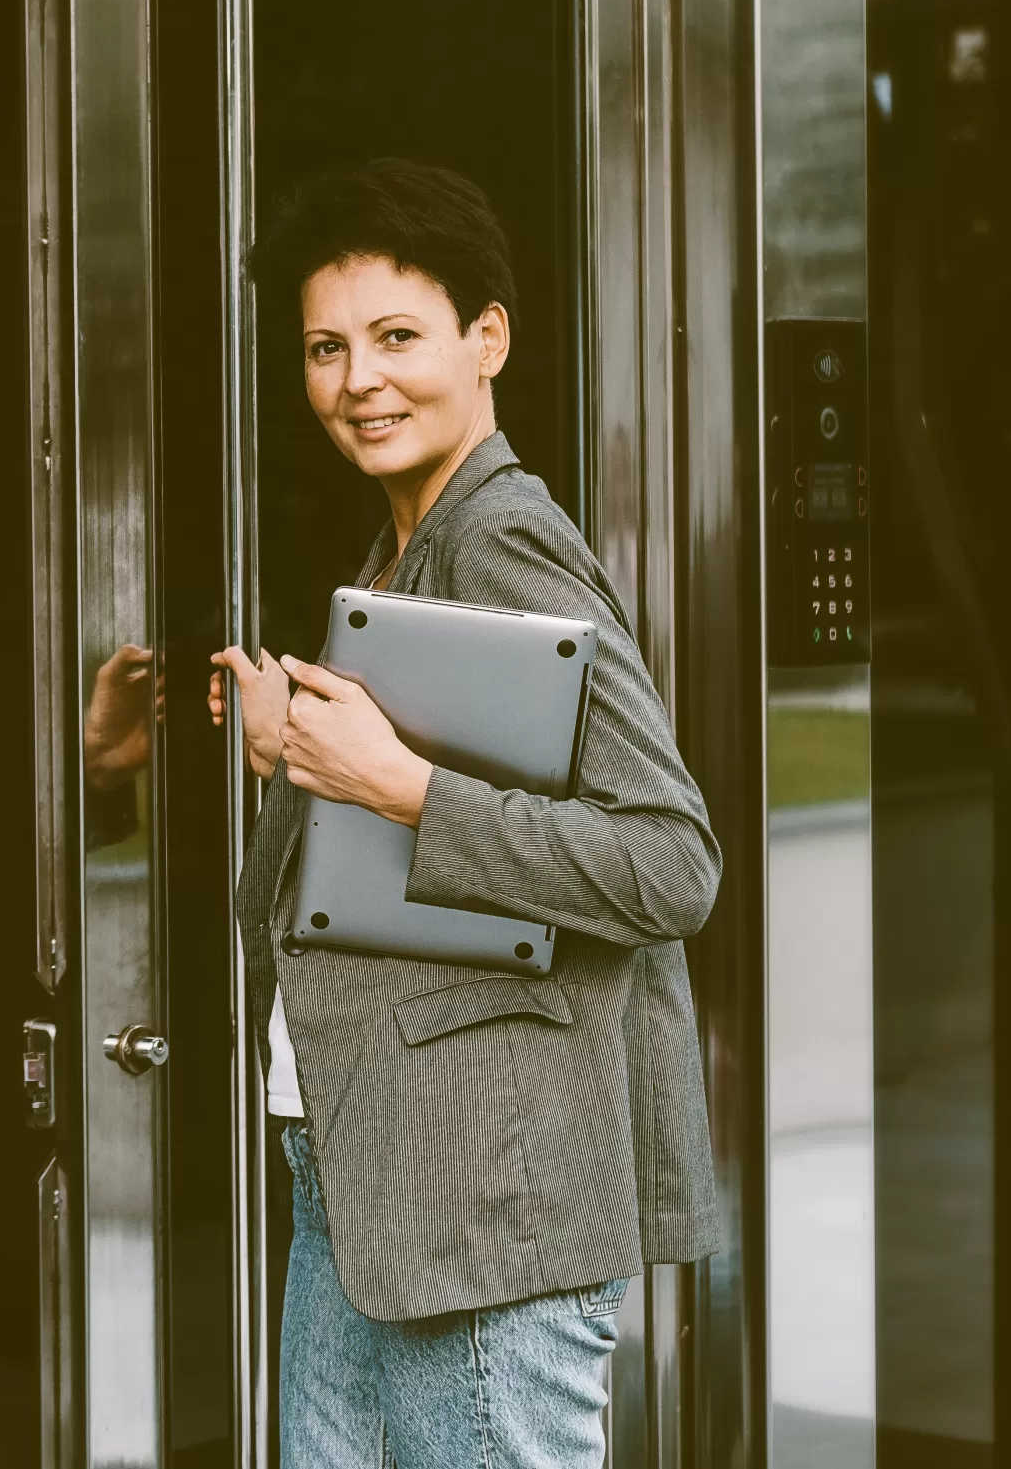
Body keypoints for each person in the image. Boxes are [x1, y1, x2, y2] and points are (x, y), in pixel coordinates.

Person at [207, 160, 722, 1469]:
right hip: (370, 1182)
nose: (355, 381)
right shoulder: (398, 554)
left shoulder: (499, 540)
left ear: (487, 337)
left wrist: (394, 783)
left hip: (483, 1205)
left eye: (395, 338)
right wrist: (292, 756)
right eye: (325, 349)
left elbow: (671, 862)